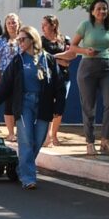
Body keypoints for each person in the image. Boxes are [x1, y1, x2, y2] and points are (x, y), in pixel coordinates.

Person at [0, 25, 66, 190]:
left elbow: (59, 86)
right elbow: (5, 85)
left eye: (22, 39)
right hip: (24, 103)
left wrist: (59, 106)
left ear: (33, 39)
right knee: (26, 140)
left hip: (43, 103)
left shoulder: (48, 60)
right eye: (18, 40)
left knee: (38, 140)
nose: (19, 42)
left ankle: (21, 167)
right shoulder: (18, 60)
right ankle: (28, 178)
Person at [59, 0, 109, 156]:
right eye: (99, 8)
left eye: (105, 9)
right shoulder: (85, 26)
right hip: (87, 68)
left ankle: (106, 140)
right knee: (89, 107)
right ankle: (90, 141)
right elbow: (72, 47)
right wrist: (85, 51)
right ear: (92, 11)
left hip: (106, 67)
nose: (102, 11)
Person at [40, 15, 71, 147]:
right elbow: (41, 58)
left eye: (45, 24)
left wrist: (52, 57)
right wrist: (59, 59)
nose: (42, 27)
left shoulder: (64, 40)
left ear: (53, 25)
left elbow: (68, 60)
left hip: (63, 77)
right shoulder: (40, 41)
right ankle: (47, 136)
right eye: (42, 24)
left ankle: (54, 135)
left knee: (59, 106)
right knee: (48, 106)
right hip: (47, 77)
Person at [0, 13, 20, 142]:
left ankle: (21, 132)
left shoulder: (24, 38)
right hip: (5, 74)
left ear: (19, 23)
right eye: (9, 23)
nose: (12, 25)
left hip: (21, 75)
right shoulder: (0, 40)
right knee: (8, 103)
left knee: (20, 104)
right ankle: (10, 133)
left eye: (14, 22)